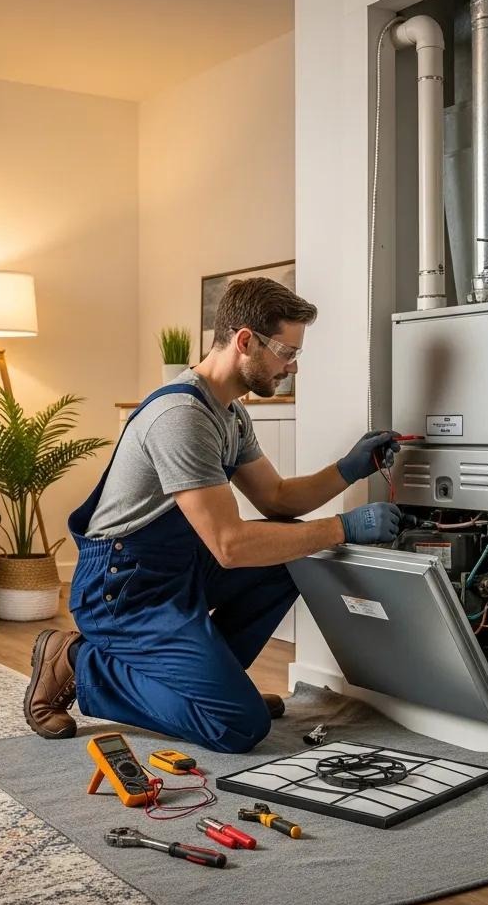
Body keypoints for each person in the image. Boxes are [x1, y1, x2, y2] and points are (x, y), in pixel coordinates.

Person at [24, 277, 402, 753]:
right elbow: (230, 546)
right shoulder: (181, 416)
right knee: (238, 727)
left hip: (177, 571)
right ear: (246, 341)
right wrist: (343, 528)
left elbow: (278, 499)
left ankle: (217, 690)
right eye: (287, 353)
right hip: (122, 589)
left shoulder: (229, 413)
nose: (292, 367)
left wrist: (350, 469)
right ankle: (78, 660)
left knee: (291, 553)